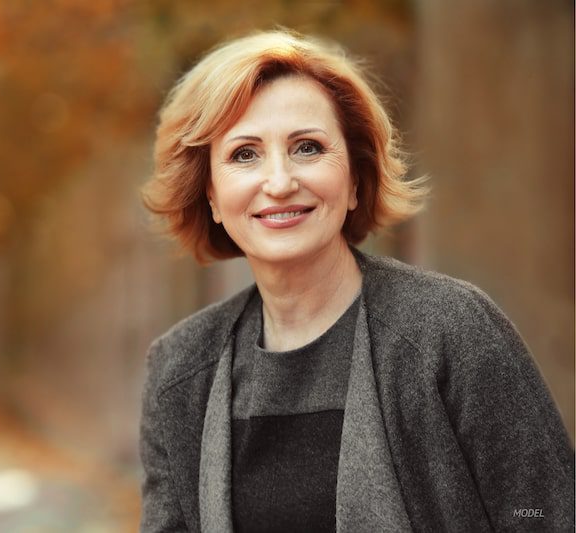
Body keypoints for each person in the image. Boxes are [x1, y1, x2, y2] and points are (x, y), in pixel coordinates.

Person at [138, 29, 574, 533]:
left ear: (355, 181)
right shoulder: (179, 370)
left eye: (307, 147)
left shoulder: (451, 331)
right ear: (210, 195)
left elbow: (542, 510)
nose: (279, 183)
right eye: (244, 154)